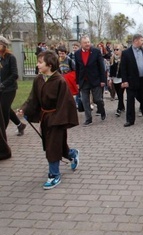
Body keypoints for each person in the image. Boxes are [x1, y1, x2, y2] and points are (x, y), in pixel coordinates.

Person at [18, 50, 79, 189]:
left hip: (57, 119)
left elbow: (66, 103)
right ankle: (72, 154)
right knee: (56, 145)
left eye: (40, 62)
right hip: (45, 118)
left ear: (50, 64)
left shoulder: (60, 81)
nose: (38, 65)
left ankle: (54, 175)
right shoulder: (38, 79)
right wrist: (24, 109)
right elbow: (32, 98)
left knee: (52, 146)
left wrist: (58, 120)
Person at [74, 35, 107, 126]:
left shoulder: (96, 52)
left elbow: (101, 66)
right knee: (85, 100)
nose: (87, 44)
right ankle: (88, 119)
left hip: (95, 79)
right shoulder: (77, 54)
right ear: (81, 44)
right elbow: (77, 68)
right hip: (83, 81)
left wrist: (103, 80)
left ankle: (102, 109)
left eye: (88, 42)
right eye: (85, 43)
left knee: (97, 99)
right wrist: (77, 82)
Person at [120, 34, 143, 126]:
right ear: (135, 41)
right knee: (130, 100)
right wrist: (124, 80)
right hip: (131, 81)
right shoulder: (126, 53)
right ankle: (130, 120)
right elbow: (123, 68)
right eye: (141, 40)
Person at [0, 36, 27, 136]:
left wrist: (3, 84)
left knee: (3, 111)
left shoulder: (10, 57)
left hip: (9, 89)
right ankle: (20, 125)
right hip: (1, 89)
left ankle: (2, 133)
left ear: (3, 45)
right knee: (5, 108)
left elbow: (15, 74)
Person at [108, 44, 125, 117]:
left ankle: (119, 109)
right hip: (115, 79)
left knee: (120, 94)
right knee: (118, 94)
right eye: (114, 50)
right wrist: (110, 79)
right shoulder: (112, 58)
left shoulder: (124, 59)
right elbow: (111, 70)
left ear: (121, 50)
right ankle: (122, 106)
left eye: (117, 49)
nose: (115, 51)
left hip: (122, 79)